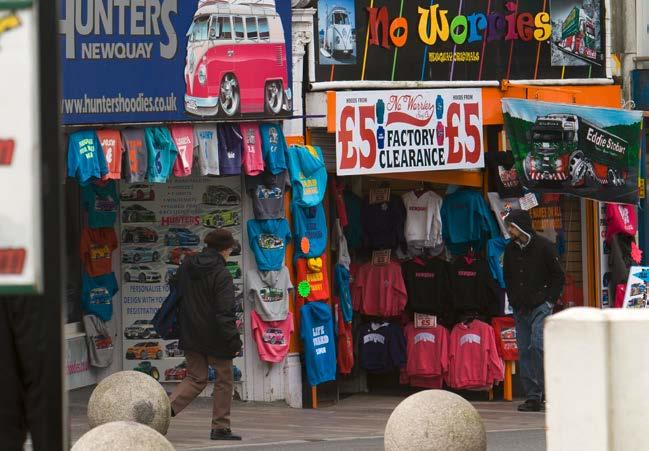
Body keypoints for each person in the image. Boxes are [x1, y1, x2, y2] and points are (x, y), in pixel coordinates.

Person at [169, 229, 243, 440]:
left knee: (195, 377)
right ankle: (220, 427)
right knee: (224, 379)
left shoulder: (187, 265)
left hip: (190, 330)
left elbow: (176, 293)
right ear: (225, 249)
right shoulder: (222, 274)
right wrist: (233, 340)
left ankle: (159, 413)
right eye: (230, 248)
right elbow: (224, 311)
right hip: (216, 335)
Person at [503, 210, 564, 412]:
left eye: (512, 226)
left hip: (540, 305)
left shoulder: (545, 246)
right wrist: (513, 299)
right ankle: (533, 397)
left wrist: (549, 302)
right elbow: (508, 277)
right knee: (524, 351)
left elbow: (558, 276)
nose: (509, 231)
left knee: (538, 346)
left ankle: (550, 391)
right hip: (520, 307)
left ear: (521, 227)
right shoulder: (510, 249)